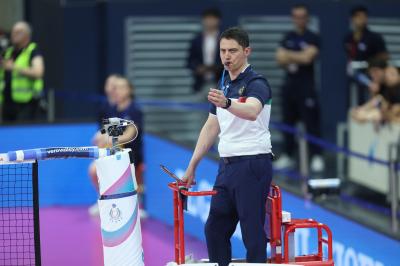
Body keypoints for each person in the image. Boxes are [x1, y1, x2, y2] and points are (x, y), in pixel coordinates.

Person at [183, 27, 273, 266]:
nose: (226, 56)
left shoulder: (257, 82)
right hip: (227, 167)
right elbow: (211, 126)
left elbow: (253, 111)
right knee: (215, 228)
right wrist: (193, 165)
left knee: (252, 234)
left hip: (253, 163)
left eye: (232, 50)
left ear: (247, 51)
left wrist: (227, 103)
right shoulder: (223, 83)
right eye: (223, 51)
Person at [275, 4, 324, 172]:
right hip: (290, 86)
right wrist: (298, 56)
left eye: (302, 16)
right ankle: (288, 155)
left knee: (311, 123)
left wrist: (289, 55)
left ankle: (316, 156)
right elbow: (279, 59)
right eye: (296, 16)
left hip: (306, 86)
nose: (299, 19)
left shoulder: (313, 37)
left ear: (307, 18)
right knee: (288, 121)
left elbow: (308, 58)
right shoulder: (287, 36)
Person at [89, 76, 145, 216]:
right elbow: (109, 131)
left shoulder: (134, 109)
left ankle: (137, 206)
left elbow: (130, 135)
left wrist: (109, 138)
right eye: (116, 88)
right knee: (94, 171)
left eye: (122, 87)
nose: (118, 91)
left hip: (133, 155)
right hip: (115, 153)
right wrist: (100, 135)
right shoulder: (113, 109)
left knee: (133, 185)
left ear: (129, 90)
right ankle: (104, 200)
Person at [344, 5, 389, 105]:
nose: (362, 19)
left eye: (364, 17)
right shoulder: (348, 38)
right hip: (355, 77)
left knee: (373, 103)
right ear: (353, 19)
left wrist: (373, 68)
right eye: (358, 17)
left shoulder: (375, 37)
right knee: (355, 104)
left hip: (372, 78)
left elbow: (384, 56)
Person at [0, 21, 44, 122]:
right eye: (13, 31)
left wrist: (15, 67)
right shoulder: (8, 52)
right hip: (6, 104)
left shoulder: (33, 50)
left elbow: (38, 72)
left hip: (26, 104)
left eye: (18, 32)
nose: (13, 34)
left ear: (26, 35)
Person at [187, 8, 224, 97]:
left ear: (218, 20)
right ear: (203, 20)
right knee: (198, 110)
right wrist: (197, 68)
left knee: (220, 110)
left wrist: (215, 68)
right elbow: (189, 61)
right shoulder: (196, 40)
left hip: (220, 84)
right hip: (200, 84)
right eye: (207, 19)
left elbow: (231, 61)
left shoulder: (225, 39)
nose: (209, 21)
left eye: (212, 19)